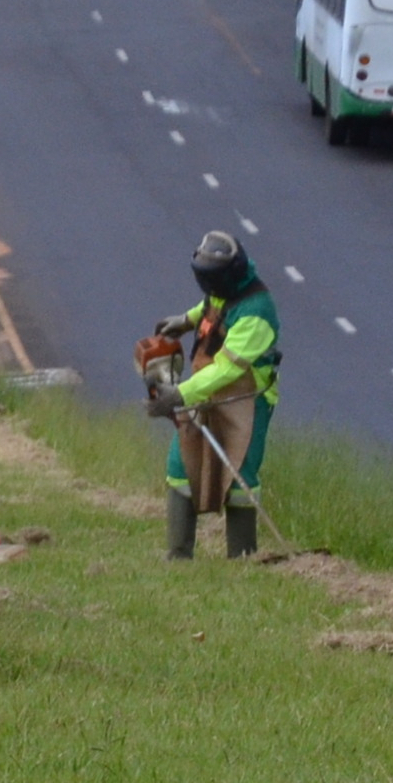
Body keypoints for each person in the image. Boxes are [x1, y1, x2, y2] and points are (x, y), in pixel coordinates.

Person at [148, 230, 278, 560]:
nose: (208, 287)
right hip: (203, 390)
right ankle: (178, 555)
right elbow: (212, 306)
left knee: (240, 474)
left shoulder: (257, 312)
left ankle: (242, 558)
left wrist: (179, 393)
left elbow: (228, 370)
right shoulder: (223, 289)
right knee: (181, 465)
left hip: (246, 401)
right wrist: (187, 320)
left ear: (230, 273)